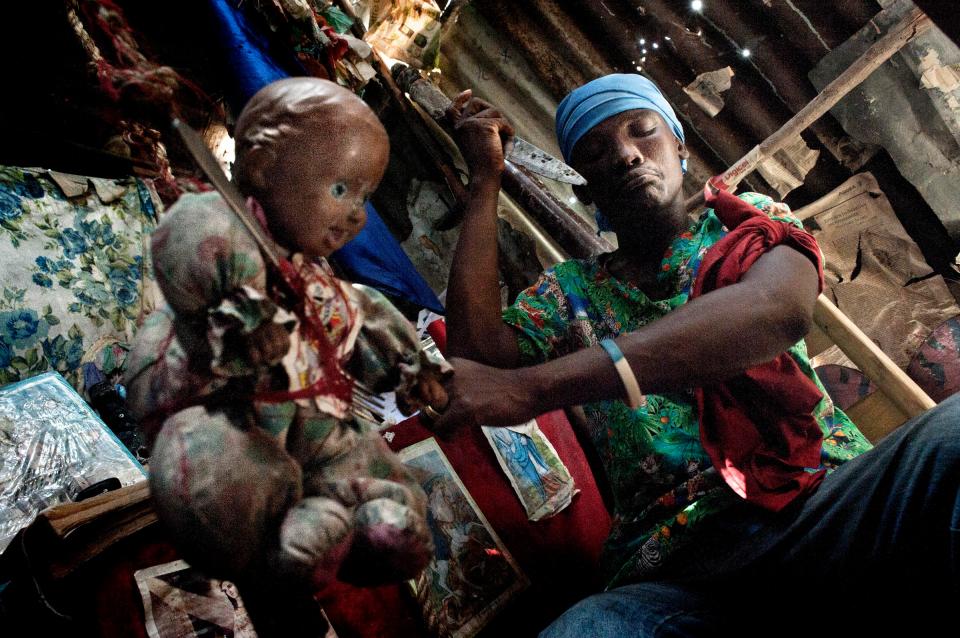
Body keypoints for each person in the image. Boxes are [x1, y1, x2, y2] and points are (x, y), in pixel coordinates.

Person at [431, 74, 960, 634]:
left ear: (680, 145)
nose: (627, 156)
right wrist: (486, 177)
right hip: (679, 571)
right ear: (584, 186)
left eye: (643, 132)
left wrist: (532, 389)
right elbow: (475, 355)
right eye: (597, 153)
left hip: (819, 507)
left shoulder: (742, 219)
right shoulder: (570, 293)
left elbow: (774, 311)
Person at [124, 77, 450, 620]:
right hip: (219, 405)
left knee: (368, 457)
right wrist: (236, 319)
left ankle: (364, 521)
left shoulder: (317, 276)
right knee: (222, 467)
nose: (358, 215)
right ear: (263, 165)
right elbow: (189, 257)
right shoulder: (221, 225)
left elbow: (363, 318)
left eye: (365, 197)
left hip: (307, 415)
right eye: (342, 189)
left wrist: (410, 367)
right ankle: (277, 542)